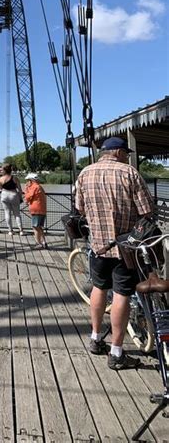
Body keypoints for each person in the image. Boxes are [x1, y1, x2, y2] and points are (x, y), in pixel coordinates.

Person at [75, 136, 154, 370]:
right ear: (118, 152)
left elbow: (79, 207)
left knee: (99, 288)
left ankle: (96, 337)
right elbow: (146, 210)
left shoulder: (84, 173)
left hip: (98, 245)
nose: (128, 156)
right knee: (122, 294)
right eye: (126, 153)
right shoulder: (129, 173)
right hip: (125, 247)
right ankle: (117, 352)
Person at [0, 164, 24, 235]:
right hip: (13, 195)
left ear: (4, 170)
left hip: (4, 195)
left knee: (7, 213)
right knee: (17, 214)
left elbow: (0, 189)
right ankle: (21, 230)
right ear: (11, 170)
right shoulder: (15, 178)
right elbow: (20, 190)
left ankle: (10, 231)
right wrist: (21, 197)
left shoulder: (1, 179)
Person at [24, 173, 47, 248]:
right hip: (42, 208)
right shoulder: (40, 186)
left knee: (35, 227)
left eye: (28, 180)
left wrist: (26, 189)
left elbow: (27, 197)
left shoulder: (34, 187)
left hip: (36, 209)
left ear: (31, 180)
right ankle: (44, 242)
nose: (27, 182)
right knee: (39, 227)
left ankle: (38, 243)